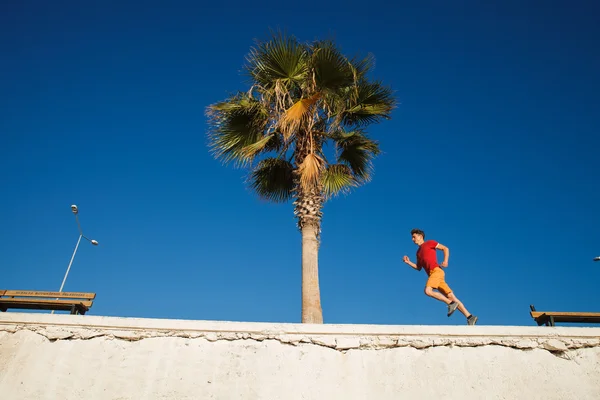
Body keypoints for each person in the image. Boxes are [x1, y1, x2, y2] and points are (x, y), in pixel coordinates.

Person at [403, 228, 478, 325]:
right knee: (451, 296)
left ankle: (450, 303)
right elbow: (418, 267)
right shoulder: (418, 253)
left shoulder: (430, 243)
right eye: (412, 238)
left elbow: (445, 248)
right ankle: (470, 317)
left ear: (420, 236)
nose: (413, 239)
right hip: (435, 275)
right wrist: (408, 262)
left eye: (414, 237)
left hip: (437, 272)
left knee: (428, 291)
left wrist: (446, 261)